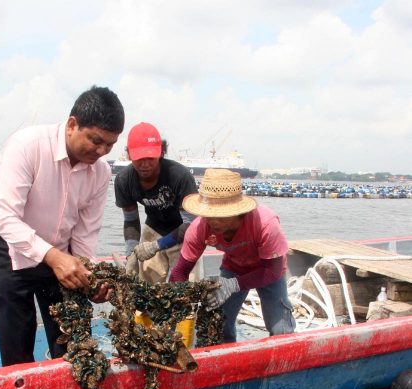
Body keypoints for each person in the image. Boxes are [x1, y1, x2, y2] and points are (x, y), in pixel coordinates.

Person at [0, 85, 125, 366]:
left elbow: (85, 234)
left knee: (73, 341)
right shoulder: (27, 145)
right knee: (17, 342)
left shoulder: (101, 172)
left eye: (110, 145)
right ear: (73, 125)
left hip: (62, 253)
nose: (101, 151)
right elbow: (5, 217)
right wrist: (52, 256)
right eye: (96, 140)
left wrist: (90, 277)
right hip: (11, 247)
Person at [169, 168, 295, 342]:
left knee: (281, 332)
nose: (213, 221)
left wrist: (233, 285)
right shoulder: (199, 228)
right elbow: (179, 273)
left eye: (220, 216)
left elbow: (272, 271)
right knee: (218, 328)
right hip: (234, 266)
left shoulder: (265, 224)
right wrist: (176, 304)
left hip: (267, 270)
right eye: (209, 215)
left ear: (238, 212)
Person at [114, 122, 199, 284]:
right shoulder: (124, 181)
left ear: (161, 152)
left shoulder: (180, 177)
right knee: (147, 288)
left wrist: (158, 245)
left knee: (184, 290)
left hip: (182, 232)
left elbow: (191, 225)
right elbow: (131, 220)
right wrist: (131, 253)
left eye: (150, 157)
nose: (145, 164)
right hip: (153, 228)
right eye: (139, 158)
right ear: (129, 155)